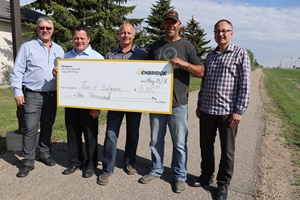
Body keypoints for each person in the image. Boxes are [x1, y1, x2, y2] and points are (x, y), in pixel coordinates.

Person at [138, 11, 204, 193]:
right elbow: (142, 72)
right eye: (167, 22)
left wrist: (184, 64)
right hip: (156, 103)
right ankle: (156, 169)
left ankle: (179, 175)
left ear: (179, 24)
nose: (170, 25)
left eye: (173, 22)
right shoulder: (155, 47)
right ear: (164, 24)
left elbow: (200, 71)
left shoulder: (187, 46)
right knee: (155, 141)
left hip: (178, 104)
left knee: (180, 143)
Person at [192, 19, 251, 200]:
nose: (221, 34)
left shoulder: (241, 54)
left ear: (231, 33)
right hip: (208, 110)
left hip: (228, 113)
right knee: (206, 146)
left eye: (225, 31)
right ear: (214, 34)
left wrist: (239, 110)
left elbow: (245, 85)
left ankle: (223, 183)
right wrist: (200, 103)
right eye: (218, 31)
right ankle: (206, 175)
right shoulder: (211, 55)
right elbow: (204, 82)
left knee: (227, 151)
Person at [11, 16, 64, 178]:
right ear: (37, 29)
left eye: (48, 28)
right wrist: (18, 92)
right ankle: (27, 161)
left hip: (52, 95)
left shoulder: (59, 50)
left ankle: (45, 154)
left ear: (53, 30)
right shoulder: (28, 47)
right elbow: (17, 71)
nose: (45, 30)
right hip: (32, 95)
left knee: (47, 126)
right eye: (42, 28)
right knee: (30, 128)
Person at [97, 23, 147, 186]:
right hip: (115, 101)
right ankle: (107, 169)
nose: (126, 35)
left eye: (129, 33)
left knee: (133, 133)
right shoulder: (110, 55)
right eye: (123, 32)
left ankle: (129, 162)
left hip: (134, 101)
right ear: (118, 35)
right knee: (111, 135)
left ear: (134, 35)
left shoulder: (142, 54)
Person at [54, 26, 104, 178]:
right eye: (76, 38)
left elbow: (102, 84)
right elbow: (63, 82)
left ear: (89, 39)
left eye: (82, 38)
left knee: (90, 136)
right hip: (71, 103)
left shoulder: (98, 58)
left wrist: (97, 107)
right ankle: (75, 162)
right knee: (73, 134)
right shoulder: (65, 57)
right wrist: (57, 74)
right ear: (72, 39)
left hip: (90, 105)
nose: (79, 41)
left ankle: (90, 164)